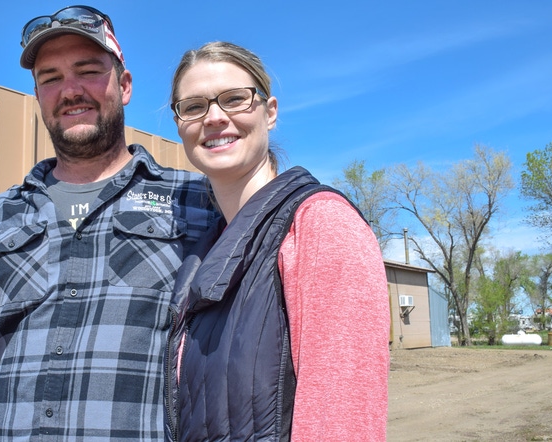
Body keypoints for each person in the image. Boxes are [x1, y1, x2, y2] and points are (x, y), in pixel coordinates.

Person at [0, 6, 217, 441]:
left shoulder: (200, 204)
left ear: (124, 86)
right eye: (50, 78)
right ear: (38, 96)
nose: (70, 90)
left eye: (87, 71)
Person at [164, 41, 390, 441]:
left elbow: (341, 424)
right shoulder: (203, 251)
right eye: (194, 106)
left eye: (234, 99)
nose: (214, 117)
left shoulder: (320, 224)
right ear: (180, 124)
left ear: (269, 112)